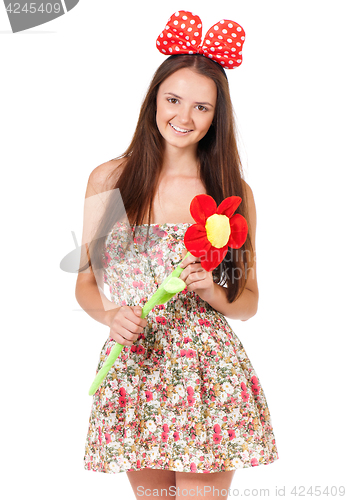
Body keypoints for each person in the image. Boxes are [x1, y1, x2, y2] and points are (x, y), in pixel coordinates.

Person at [76, 11, 279, 500]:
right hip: (137, 365)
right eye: (173, 100)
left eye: (202, 108)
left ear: (216, 116)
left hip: (208, 373)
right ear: (154, 101)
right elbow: (85, 282)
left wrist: (212, 289)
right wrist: (110, 315)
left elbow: (248, 301)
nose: (184, 118)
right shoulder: (110, 180)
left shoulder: (233, 192)